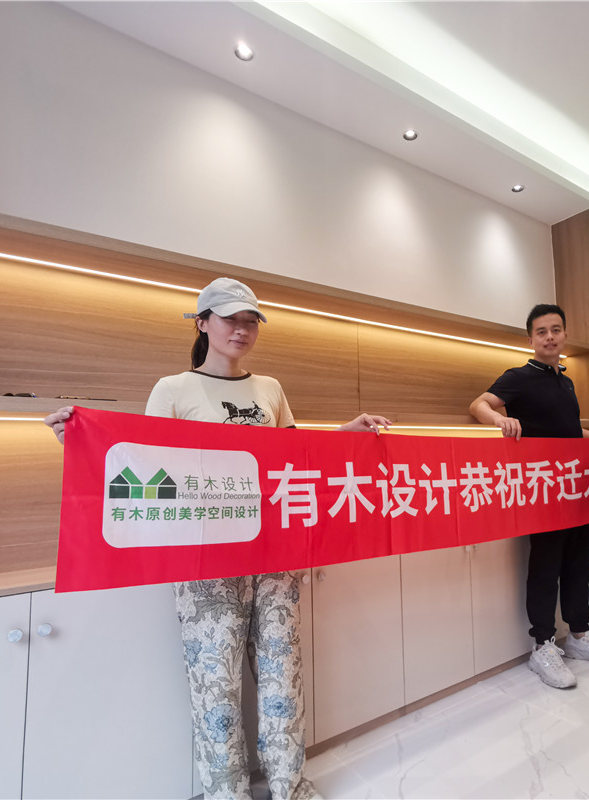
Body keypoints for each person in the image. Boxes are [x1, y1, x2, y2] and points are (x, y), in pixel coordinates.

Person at [46, 277, 391, 800]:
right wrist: (79, 441)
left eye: (251, 320)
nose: (242, 329)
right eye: (230, 318)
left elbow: (293, 459)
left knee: (282, 673)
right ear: (202, 322)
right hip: (203, 559)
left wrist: (349, 434)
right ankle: (226, 794)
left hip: (273, 552)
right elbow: (144, 463)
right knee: (216, 686)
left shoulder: (269, 389)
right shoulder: (173, 390)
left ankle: (290, 786)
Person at [469, 303, 589, 689]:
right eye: (542, 332)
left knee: (579, 560)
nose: (550, 337)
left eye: (556, 330)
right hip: (542, 490)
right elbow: (478, 404)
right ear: (531, 339)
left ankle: (579, 634)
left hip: (576, 487)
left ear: (565, 335)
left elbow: (569, 433)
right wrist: (501, 419)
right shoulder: (519, 376)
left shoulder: (566, 382)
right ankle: (542, 645)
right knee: (546, 564)